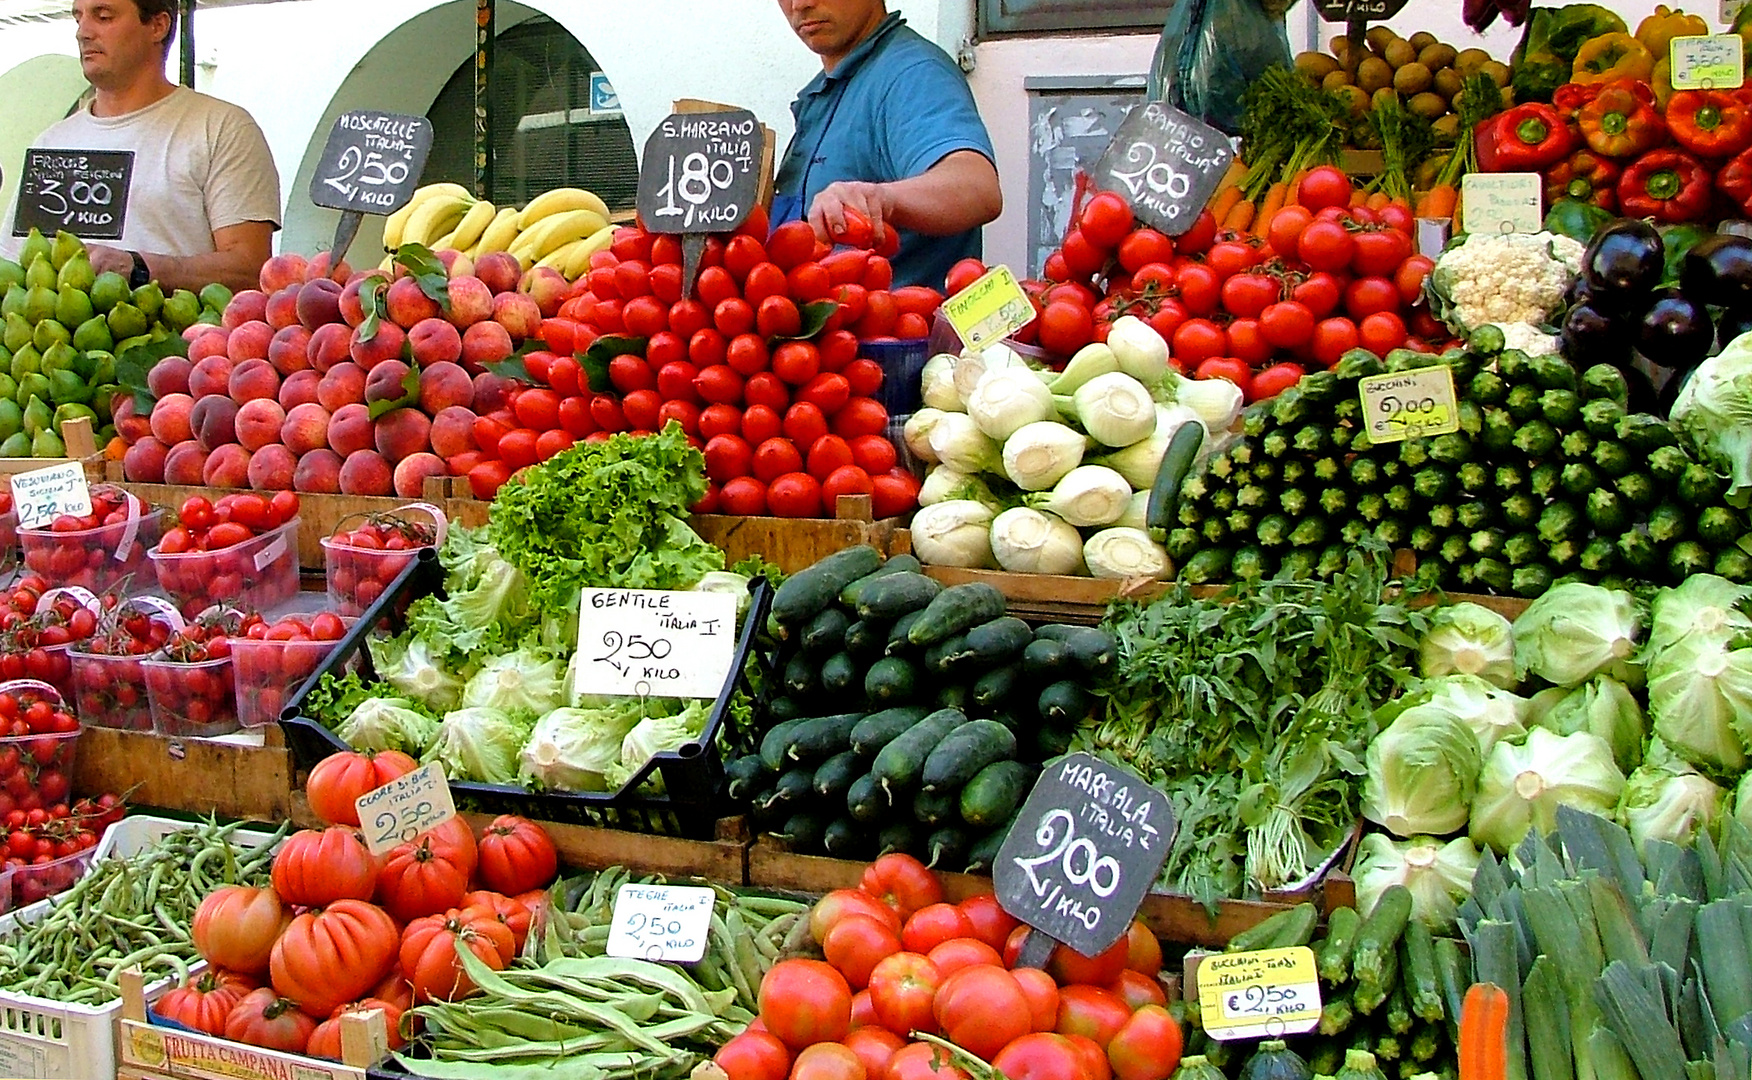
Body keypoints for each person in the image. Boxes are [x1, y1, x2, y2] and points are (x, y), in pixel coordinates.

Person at [1, 0, 280, 293]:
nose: (83, 32)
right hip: (55, 337)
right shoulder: (52, 142)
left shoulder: (222, 128)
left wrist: (139, 268)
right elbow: (13, 267)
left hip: (180, 336)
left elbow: (251, 269)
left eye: (103, 16)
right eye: (78, 18)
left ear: (158, 26)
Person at [773, 0, 1002, 292]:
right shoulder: (831, 89)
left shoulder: (913, 75)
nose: (800, 4)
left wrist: (881, 199)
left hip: (902, 334)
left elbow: (977, 186)